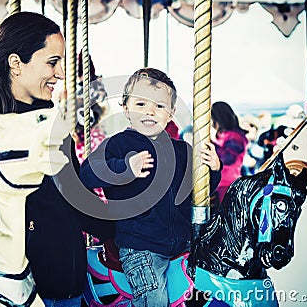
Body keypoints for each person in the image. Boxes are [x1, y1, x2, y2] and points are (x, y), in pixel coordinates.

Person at [0, 11, 114, 307]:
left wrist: (130, 227)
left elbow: (76, 199)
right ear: (16, 64)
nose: (60, 73)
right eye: (52, 62)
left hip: (66, 277)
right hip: (16, 285)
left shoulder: (50, 124)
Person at [79, 68, 222, 307]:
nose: (150, 111)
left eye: (159, 106)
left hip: (183, 243)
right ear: (126, 108)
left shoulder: (182, 151)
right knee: (153, 297)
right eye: (141, 104)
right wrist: (126, 167)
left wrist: (213, 169)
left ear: (171, 113)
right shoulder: (117, 145)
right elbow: (87, 173)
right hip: (140, 248)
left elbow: (200, 190)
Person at [211, 101, 248, 204]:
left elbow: (228, 158)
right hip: (220, 183)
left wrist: (210, 146)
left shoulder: (235, 136)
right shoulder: (224, 135)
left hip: (227, 184)